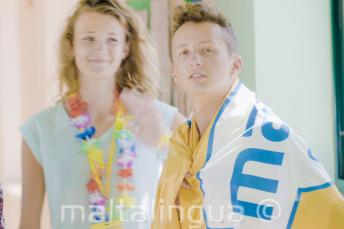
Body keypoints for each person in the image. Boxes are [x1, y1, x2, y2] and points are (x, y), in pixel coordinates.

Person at [152, 3, 344, 229]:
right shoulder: (182, 146)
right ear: (174, 72)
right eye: (184, 52)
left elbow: (329, 212)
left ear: (235, 65)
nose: (195, 59)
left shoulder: (268, 135)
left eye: (207, 50)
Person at [19, 0, 185, 228]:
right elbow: (28, 223)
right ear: (72, 47)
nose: (100, 49)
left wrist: (163, 142)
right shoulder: (39, 131)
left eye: (112, 40)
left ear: (125, 48)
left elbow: (204, 192)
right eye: (88, 38)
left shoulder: (160, 118)